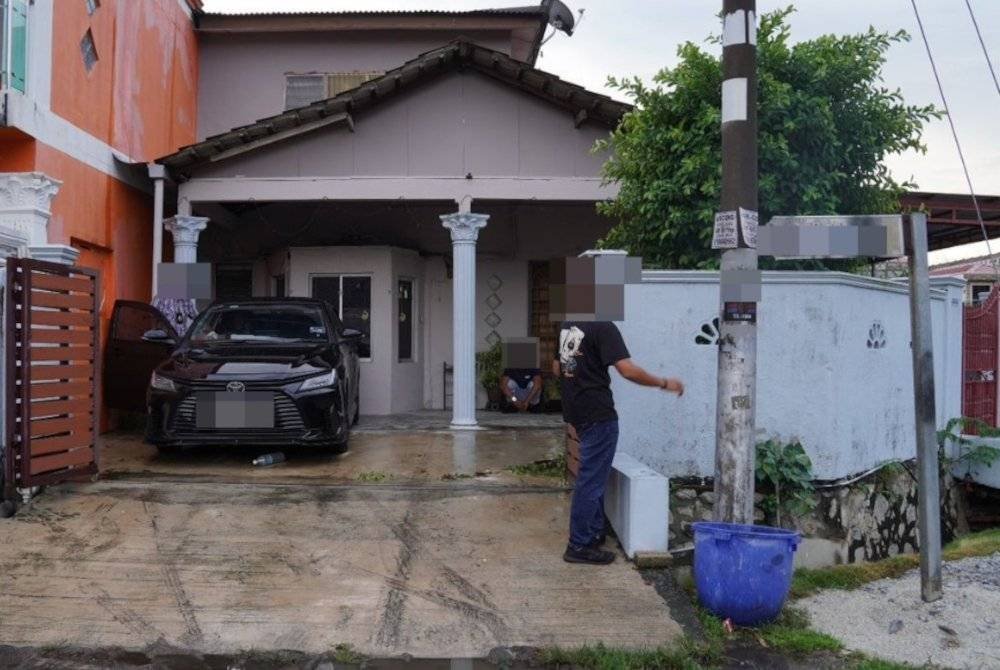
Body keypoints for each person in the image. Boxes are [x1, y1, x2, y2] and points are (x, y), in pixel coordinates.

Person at [554, 321, 684, 565]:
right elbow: (628, 370)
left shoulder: (567, 326)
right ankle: (579, 545)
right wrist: (664, 383)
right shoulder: (604, 327)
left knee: (593, 476)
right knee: (590, 481)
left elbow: (556, 368)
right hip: (598, 413)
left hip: (577, 412)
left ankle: (592, 533)